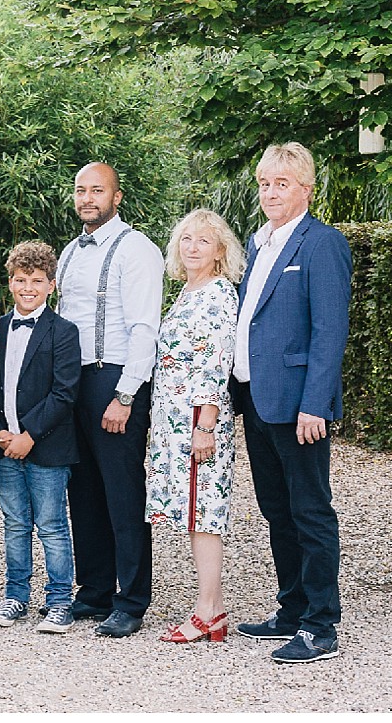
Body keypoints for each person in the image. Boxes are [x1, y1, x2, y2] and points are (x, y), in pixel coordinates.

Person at [230, 143, 352, 664]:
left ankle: (321, 625)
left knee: (310, 511)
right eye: (264, 183)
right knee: (277, 511)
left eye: (282, 183)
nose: (271, 192)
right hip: (258, 399)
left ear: (306, 188)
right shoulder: (260, 245)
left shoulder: (322, 244)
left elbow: (329, 332)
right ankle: (292, 607)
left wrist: (315, 404)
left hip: (298, 405)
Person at [56, 162, 163, 638]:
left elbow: (144, 326)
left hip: (115, 378)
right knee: (83, 491)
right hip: (73, 381)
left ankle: (131, 598)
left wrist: (126, 394)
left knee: (122, 491)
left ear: (116, 197)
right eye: (81, 190)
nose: (87, 198)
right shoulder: (69, 252)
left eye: (97, 190)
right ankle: (95, 591)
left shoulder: (136, 248)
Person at [146, 209, 244, 644]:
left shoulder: (219, 293)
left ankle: (207, 612)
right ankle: (213, 608)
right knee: (193, 514)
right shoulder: (188, 292)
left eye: (203, 241)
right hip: (172, 420)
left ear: (221, 251)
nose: (192, 247)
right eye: (186, 239)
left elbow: (215, 360)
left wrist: (205, 424)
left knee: (204, 514)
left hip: (197, 421)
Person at [0, 241, 81, 634]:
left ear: (51, 285)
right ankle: (15, 596)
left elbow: (64, 392)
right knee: (15, 523)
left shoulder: (64, 332)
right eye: (21, 280)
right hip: (4, 443)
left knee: (53, 524)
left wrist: (29, 435)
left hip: (47, 446)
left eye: (37, 281)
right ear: (9, 283)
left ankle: (59, 601)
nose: (28, 288)